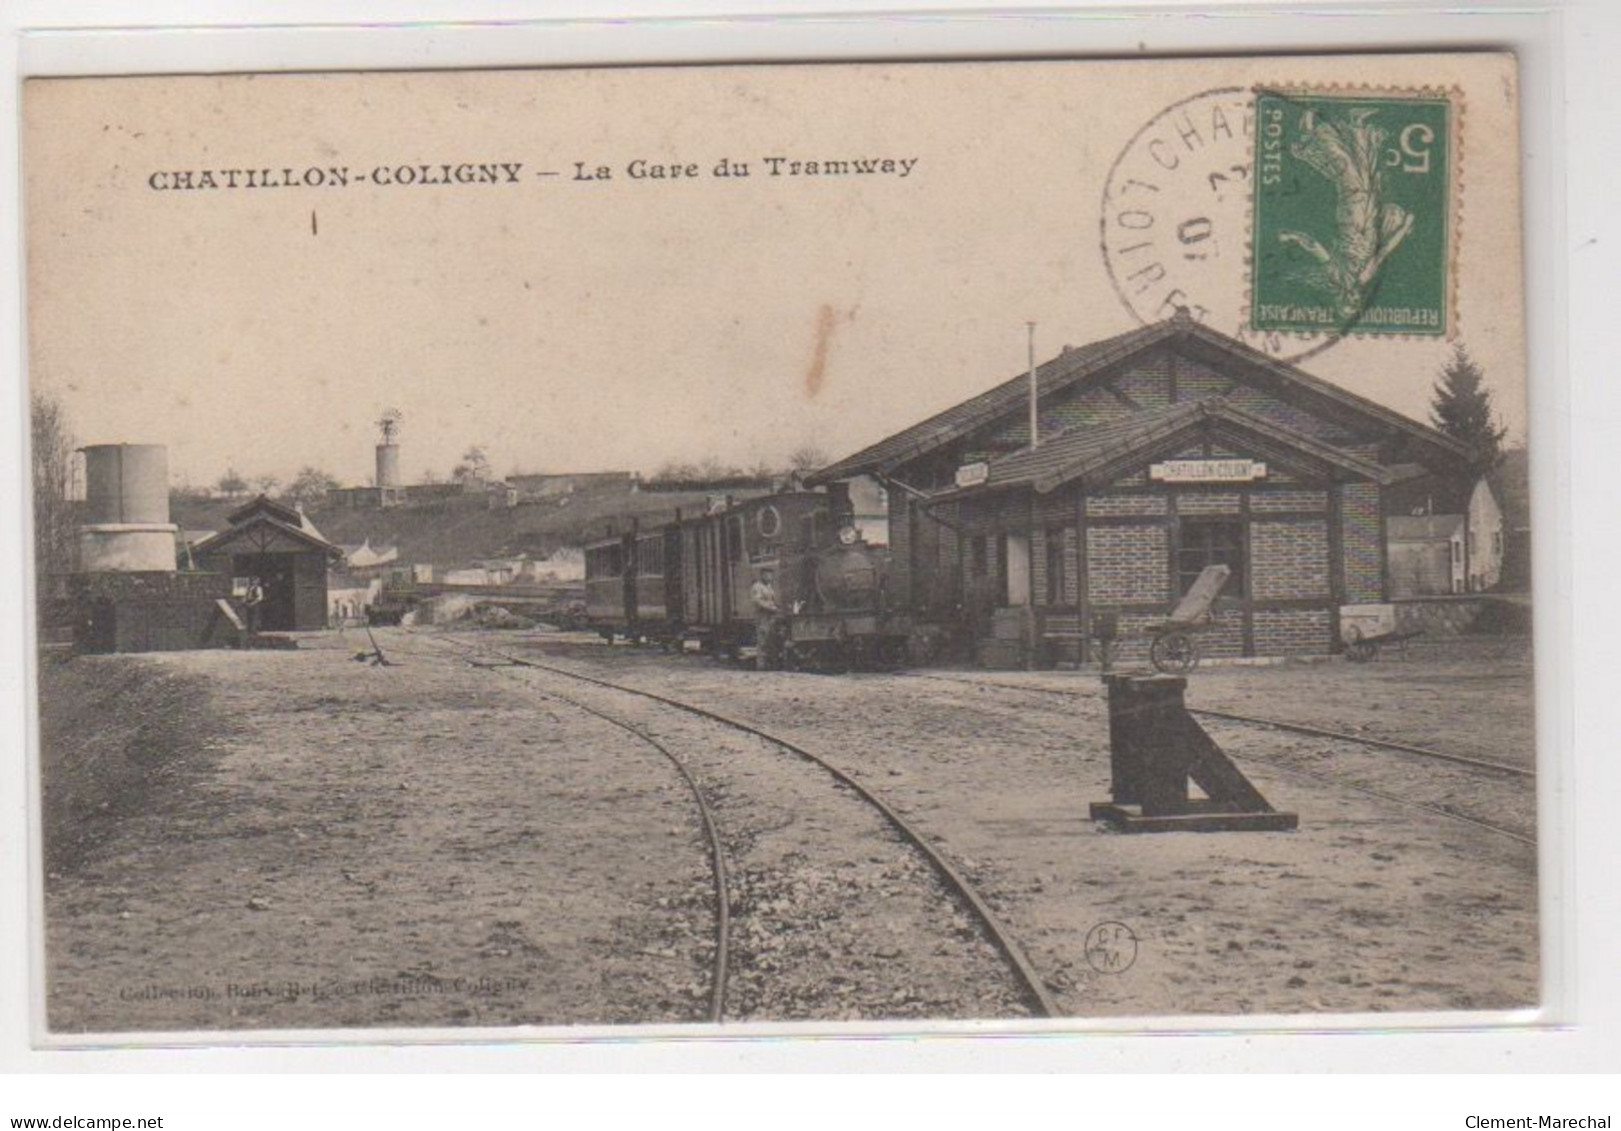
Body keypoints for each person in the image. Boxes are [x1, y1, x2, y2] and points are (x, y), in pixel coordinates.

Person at [750, 566, 781, 670]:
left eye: (770, 575)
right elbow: (758, 601)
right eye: (766, 574)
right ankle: (761, 665)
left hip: (770, 616)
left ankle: (770, 664)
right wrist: (771, 607)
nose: (769, 577)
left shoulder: (769, 587)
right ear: (762, 575)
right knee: (762, 641)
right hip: (762, 616)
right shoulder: (757, 587)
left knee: (770, 640)